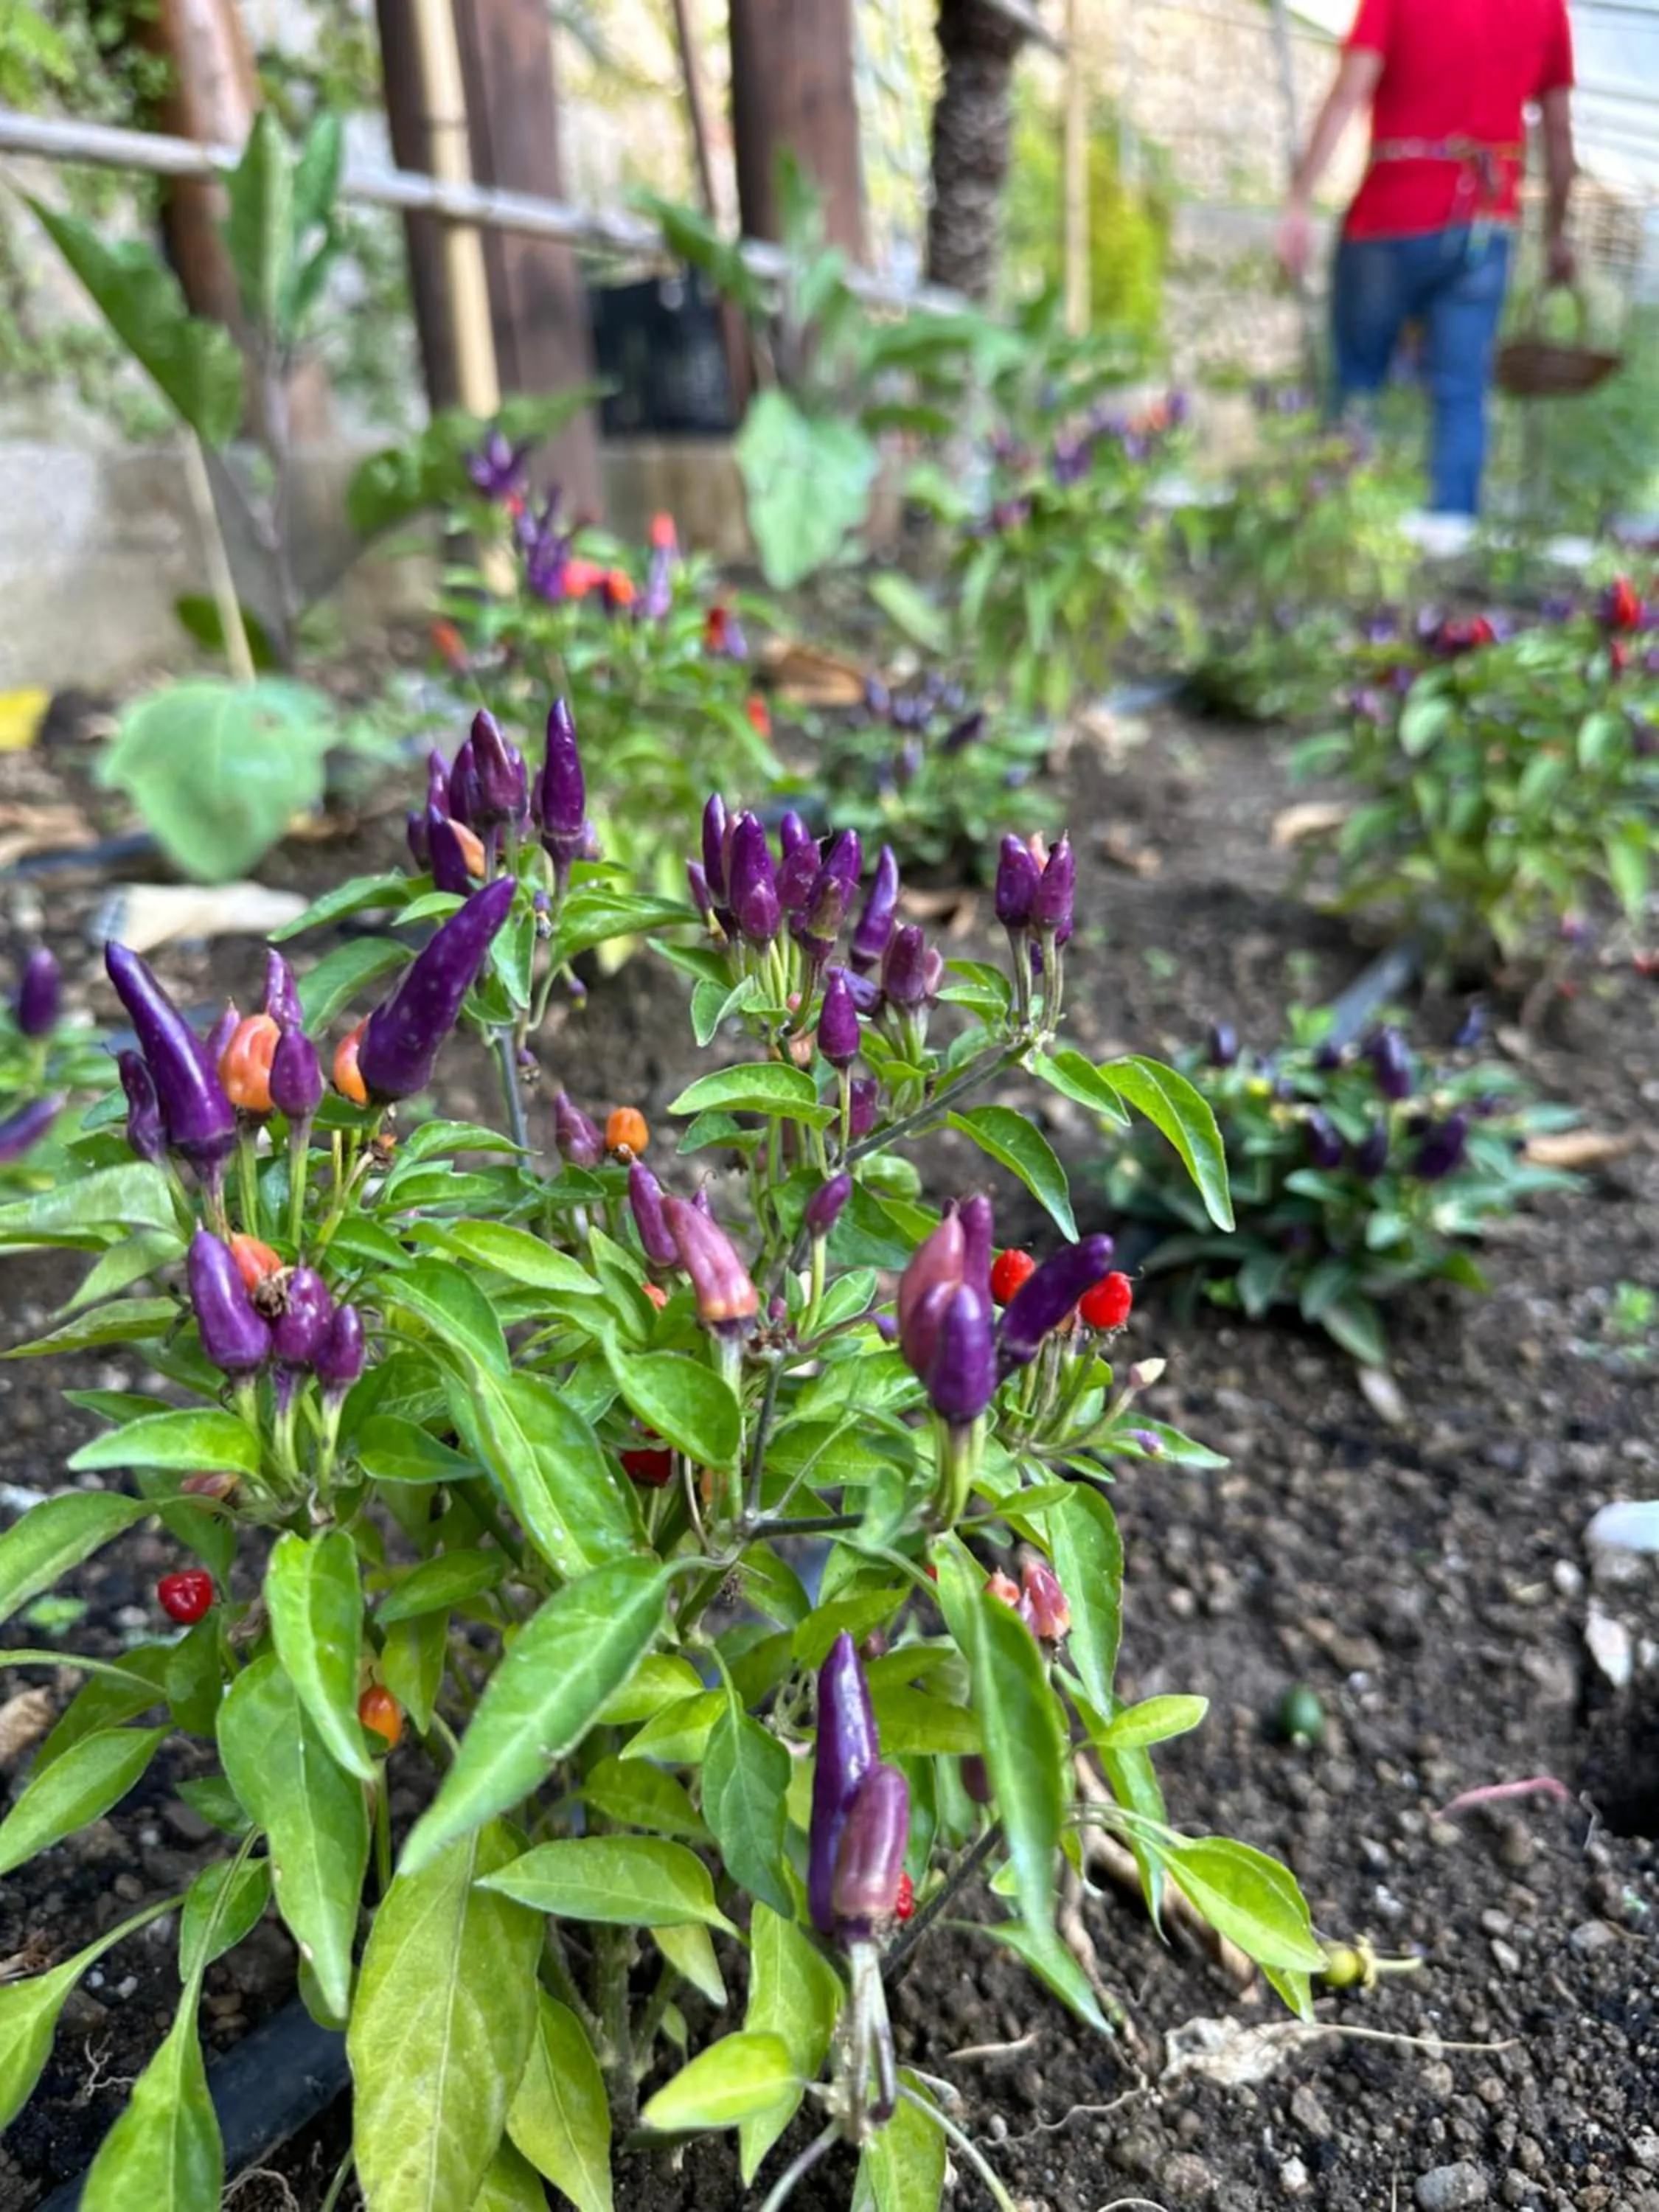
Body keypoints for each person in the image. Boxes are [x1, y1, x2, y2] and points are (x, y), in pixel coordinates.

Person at [1276, 0, 1578, 517]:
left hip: (1390, 219)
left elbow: (1349, 93)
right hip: (1483, 225)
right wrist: (1556, 234)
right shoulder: (1545, 9)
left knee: (1358, 381)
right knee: (1461, 395)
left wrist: (1300, 199)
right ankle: (1449, 543)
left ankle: (1333, 526)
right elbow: (1558, 133)